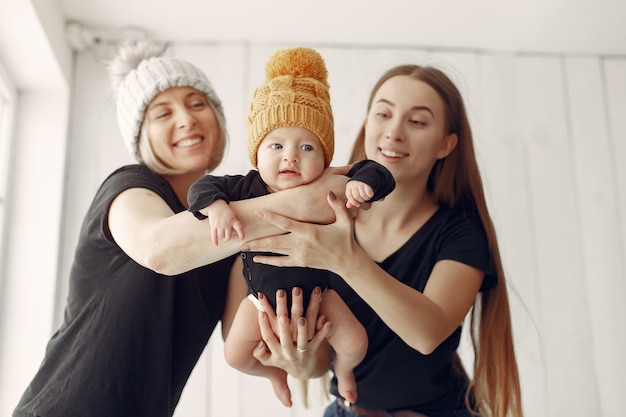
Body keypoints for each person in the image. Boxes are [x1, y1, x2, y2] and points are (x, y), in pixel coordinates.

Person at [12, 41, 343, 417]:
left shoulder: (236, 225)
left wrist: (300, 359)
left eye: (197, 103)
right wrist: (303, 199)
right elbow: (160, 250)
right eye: (161, 113)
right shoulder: (128, 187)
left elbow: (254, 341)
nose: (186, 119)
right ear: (141, 136)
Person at [242, 64, 524, 417]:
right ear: (366, 122)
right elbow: (320, 359)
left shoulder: (460, 232)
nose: (393, 132)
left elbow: (427, 333)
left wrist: (347, 260)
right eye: (383, 114)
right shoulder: (321, 213)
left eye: (417, 121)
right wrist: (299, 359)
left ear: (446, 144)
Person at [187, 47, 395, 407]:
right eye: (277, 145)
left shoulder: (328, 184)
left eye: (307, 147)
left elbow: (377, 172)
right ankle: (273, 373)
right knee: (235, 355)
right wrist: (217, 208)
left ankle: (343, 371)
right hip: (261, 302)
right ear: (257, 153)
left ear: (325, 158)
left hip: (321, 295)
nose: (291, 156)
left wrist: (366, 185)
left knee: (356, 342)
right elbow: (201, 188)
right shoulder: (248, 187)